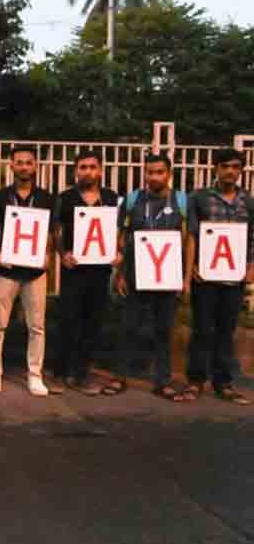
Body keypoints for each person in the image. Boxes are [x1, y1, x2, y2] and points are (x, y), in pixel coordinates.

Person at [183, 148, 254, 405]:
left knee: (227, 330)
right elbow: (191, 235)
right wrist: (189, 269)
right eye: (225, 166)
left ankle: (223, 383)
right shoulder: (200, 198)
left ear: (241, 171)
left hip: (234, 278)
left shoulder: (248, 201)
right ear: (216, 169)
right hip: (205, 276)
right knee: (202, 329)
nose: (230, 172)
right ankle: (195, 380)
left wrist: (250, 266)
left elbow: (251, 237)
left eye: (235, 167)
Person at [113, 154, 187, 400]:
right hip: (135, 273)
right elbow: (123, 238)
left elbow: (187, 240)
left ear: (169, 174)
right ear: (144, 174)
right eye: (150, 172)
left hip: (168, 276)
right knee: (128, 327)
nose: (154, 177)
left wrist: (185, 278)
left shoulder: (181, 200)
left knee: (163, 329)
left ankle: (162, 381)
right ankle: (120, 376)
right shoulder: (133, 199)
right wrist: (120, 274)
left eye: (159, 172)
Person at [0, 145, 55, 396]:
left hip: (35, 272)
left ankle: (35, 375)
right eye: (19, 162)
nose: (24, 166)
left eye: (29, 162)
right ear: (11, 166)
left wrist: (47, 255)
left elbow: (50, 233)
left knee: (37, 326)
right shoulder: (1, 196)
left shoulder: (46, 197)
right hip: (6, 269)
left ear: (35, 166)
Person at [52, 150, 120, 396]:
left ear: (100, 170)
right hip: (74, 268)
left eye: (92, 167)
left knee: (93, 322)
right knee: (69, 319)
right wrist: (62, 254)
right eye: (83, 167)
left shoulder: (111, 198)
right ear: (75, 171)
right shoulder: (65, 198)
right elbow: (56, 231)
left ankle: (82, 372)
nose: (88, 171)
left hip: (100, 269)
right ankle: (62, 372)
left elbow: (117, 231)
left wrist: (118, 252)